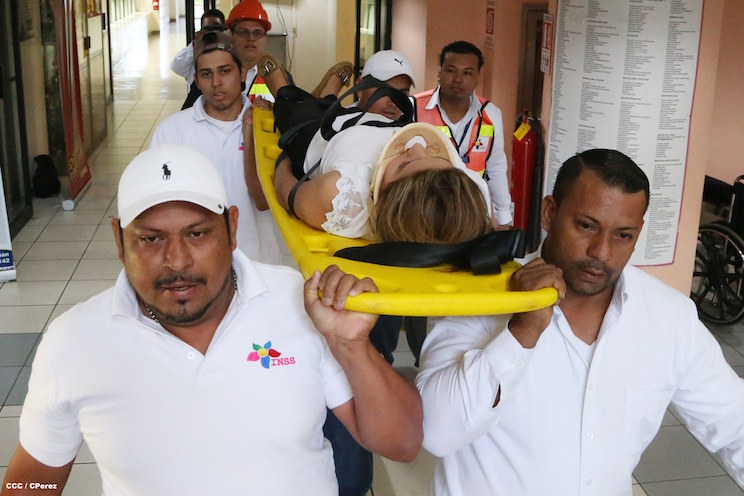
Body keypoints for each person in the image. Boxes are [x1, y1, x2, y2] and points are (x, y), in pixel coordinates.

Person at [0, 145, 423, 496]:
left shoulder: (300, 303)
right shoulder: (73, 342)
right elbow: (31, 482)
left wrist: (352, 347)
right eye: (151, 239)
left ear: (232, 228)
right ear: (119, 240)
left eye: (197, 233)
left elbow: (401, 443)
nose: (177, 261)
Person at [415, 148, 744, 495]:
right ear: (550, 213)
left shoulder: (669, 317)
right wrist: (522, 331)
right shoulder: (481, 298)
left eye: (623, 235)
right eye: (587, 226)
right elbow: (436, 433)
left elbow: (734, 423)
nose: (601, 252)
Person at [263, 50, 494, 242]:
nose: (416, 147)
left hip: (325, 137)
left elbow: (288, 193)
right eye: (435, 157)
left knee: (296, 110)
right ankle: (329, 92)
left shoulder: (343, 196)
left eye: (404, 165)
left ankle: (284, 86)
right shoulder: (472, 197)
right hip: (368, 120)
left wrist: (285, 160)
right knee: (330, 107)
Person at [151, 30, 285, 265]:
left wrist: (251, 130)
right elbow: (160, 204)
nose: (216, 83)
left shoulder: (269, 126)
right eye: (206, 74)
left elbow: (265, 201)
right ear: (196, 80)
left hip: (259, 261)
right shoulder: (172, 132)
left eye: (225, 71)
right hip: (197, 264)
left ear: (242, 73)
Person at [414, 40, 512, 230]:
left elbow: (496, 169)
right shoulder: (414, 108)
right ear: (439, 73)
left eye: (467, 73)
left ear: (477, 78)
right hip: (424, 210)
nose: (458, 79)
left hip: (473, 213)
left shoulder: (490, 114)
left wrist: (503, 219)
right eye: (451, 71)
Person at [170, 8, 225, 109]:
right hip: (196, 106)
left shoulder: (229, 50)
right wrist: (196, 44)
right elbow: (176, 67)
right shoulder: (194, 50)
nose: (212, 33)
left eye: (216, 28)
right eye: (208, 29)